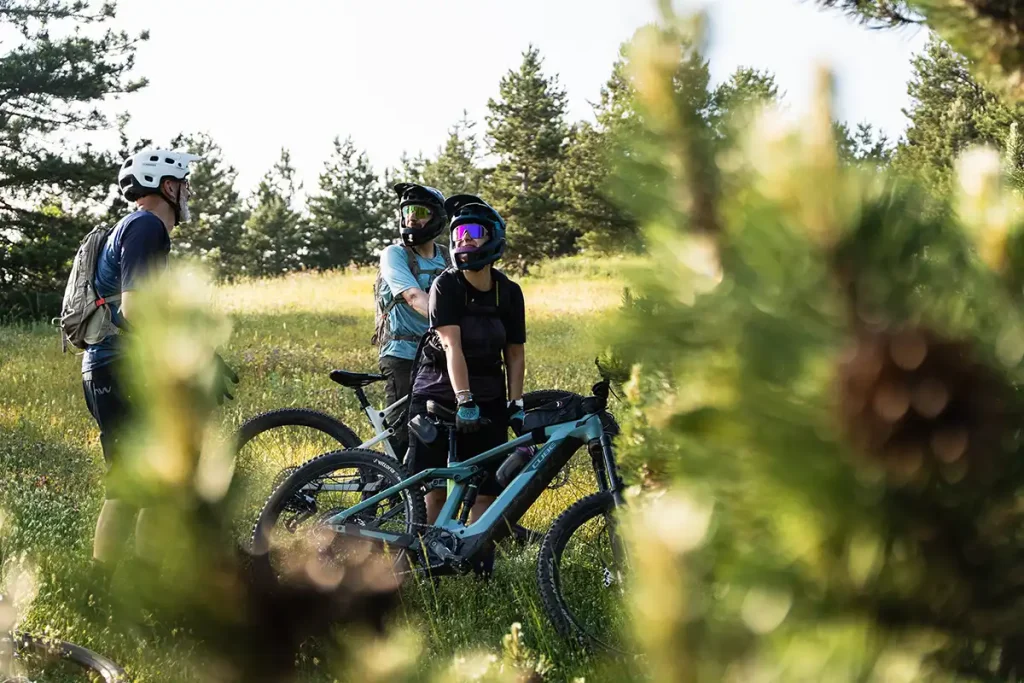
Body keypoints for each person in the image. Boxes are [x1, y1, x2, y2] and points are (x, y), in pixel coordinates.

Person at [82, 148, 236, 579]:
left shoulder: (131, 227)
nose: (189, 192)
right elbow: (135, 310)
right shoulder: (147, 227)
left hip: (110, 366)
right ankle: (119, 589)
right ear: (168, 186)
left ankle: (129, 588)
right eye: (184, 183)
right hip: (122, 367)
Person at [406, 194, 526, 577]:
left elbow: (516, 354)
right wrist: (463, 399)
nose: (463, 240)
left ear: (492, 239)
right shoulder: (447, 285)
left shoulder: (508, 292)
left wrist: (516, 404)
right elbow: (450, 344)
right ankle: (424, 563)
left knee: (487, 489)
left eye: (473, 232)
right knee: (437, 486)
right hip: (439, 394)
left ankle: (476, 567)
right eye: (458, 233)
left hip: (488, 396)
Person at [372, 183, 450, 458]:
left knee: (440, 432)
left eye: (419, 211)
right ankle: (388, 488)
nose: (411, 217)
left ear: (436, 218)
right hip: (402, 355)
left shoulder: (447, 257)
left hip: (438, 355)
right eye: (406, 211)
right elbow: (414, 296)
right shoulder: (395, 254)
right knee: (403, 435)